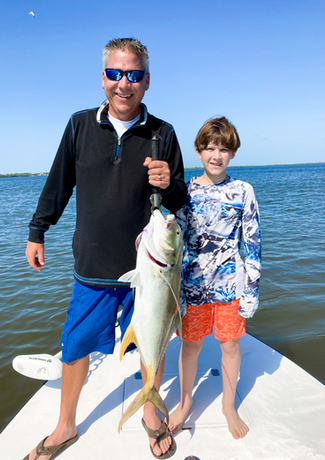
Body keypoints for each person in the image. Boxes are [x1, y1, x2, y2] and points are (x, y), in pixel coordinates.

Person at [24, 37, 186, 460]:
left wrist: (169, 183)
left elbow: (180, 200)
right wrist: (38, 230)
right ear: (103, 78)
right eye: (115, 74)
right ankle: (66, 425)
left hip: (148, 273)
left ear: (147, 81)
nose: (123, 84)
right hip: (92, 265)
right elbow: (58, 183)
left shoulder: (163, 133)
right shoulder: (79, 125)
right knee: (75, 346)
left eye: (133, 75)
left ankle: (151, 415)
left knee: (153, 342)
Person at [168, 117, 261, 440]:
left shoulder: (242, 191)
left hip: (230, 288)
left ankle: (228, 405)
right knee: (190, 346)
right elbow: (174, 240)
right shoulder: (186, 191)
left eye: (224, 149)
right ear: (198, 151)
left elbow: (252, 243)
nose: (217, 155)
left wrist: (251, 290)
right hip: (192, 288)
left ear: (232, 154)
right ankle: (185, 401)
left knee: (231, 345)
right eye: (210, 148)